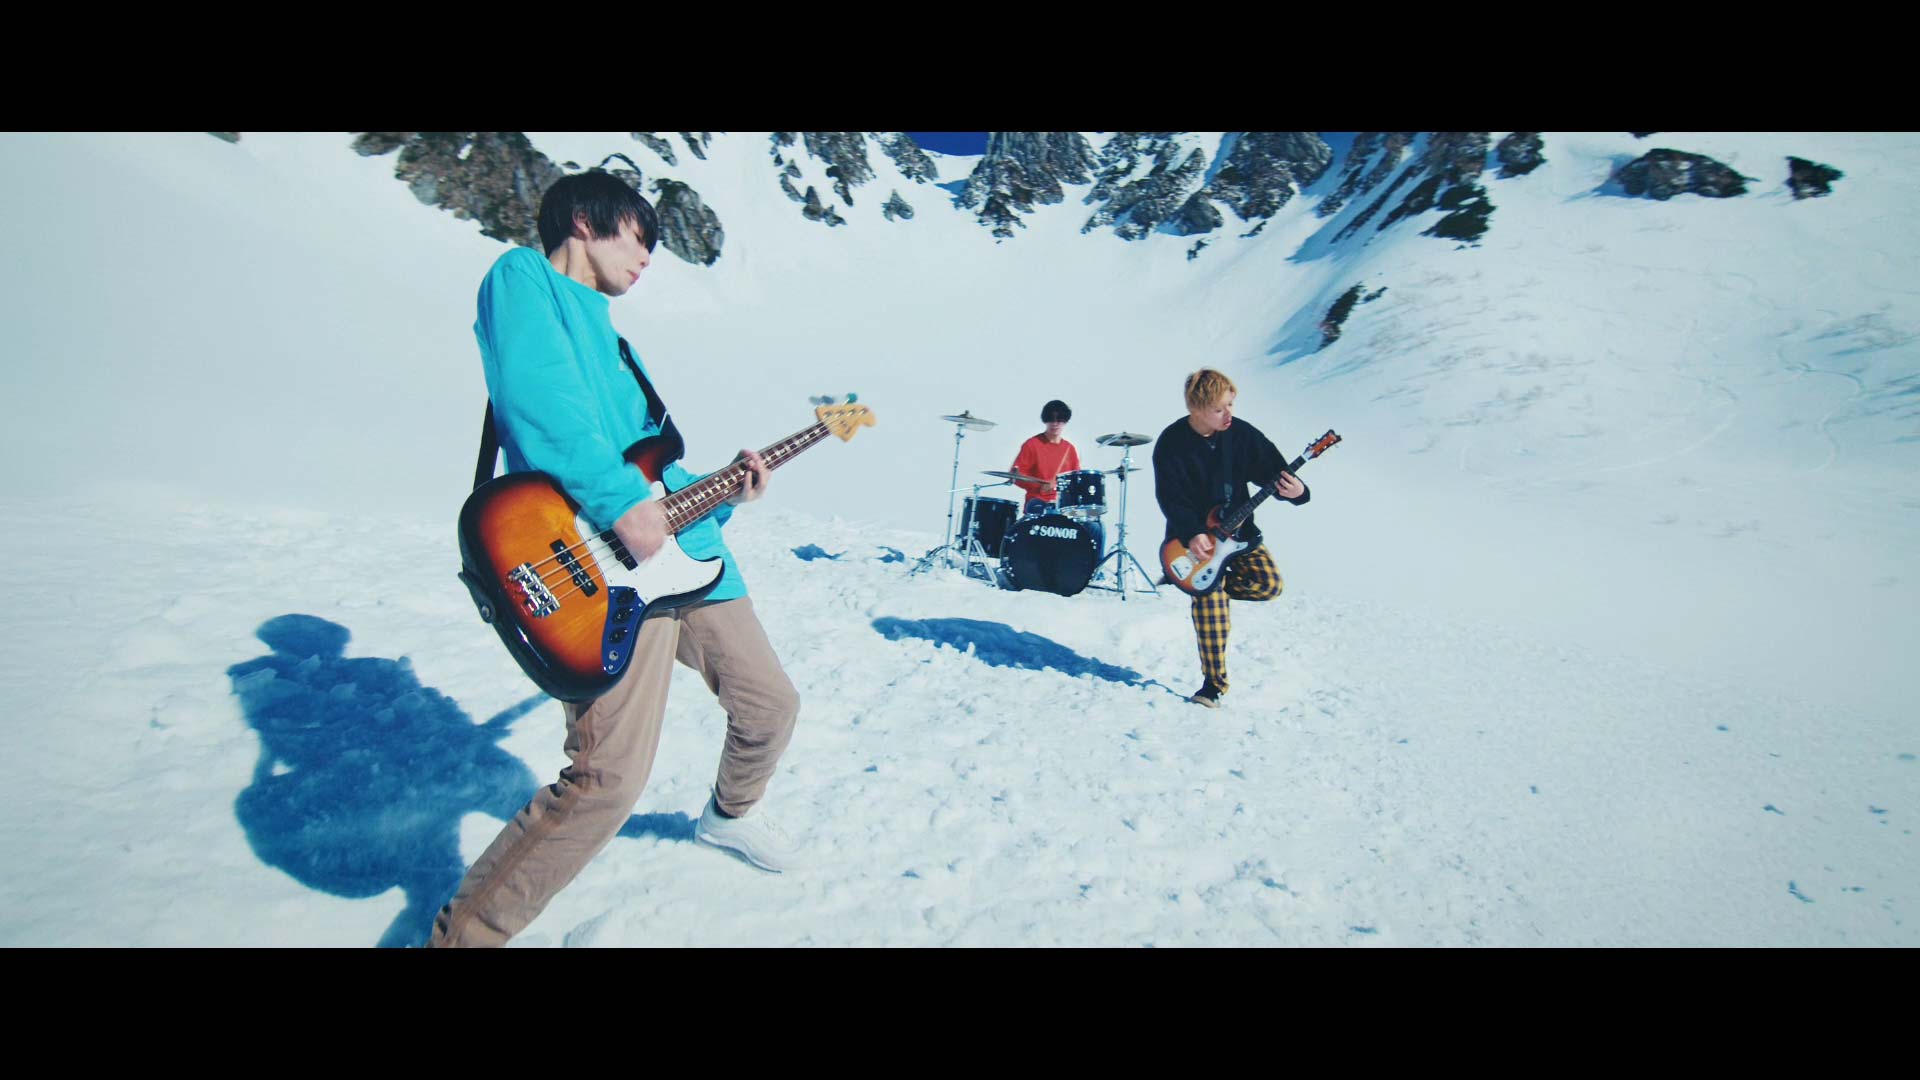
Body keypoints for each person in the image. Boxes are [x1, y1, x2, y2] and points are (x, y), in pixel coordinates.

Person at [431, 172, 802, 947]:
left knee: (771, 705)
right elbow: (542, 404)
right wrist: (617, 503)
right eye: (639, 236)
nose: (648, 257)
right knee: (607, 781)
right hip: (600, 566)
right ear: (584, 219)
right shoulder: (523, 280)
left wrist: (727, 493)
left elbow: (655, 473)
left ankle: (729, 816)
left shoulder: (619, 345)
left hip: (688, 558)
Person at [1151, 369, 1309, 708]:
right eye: (1219, 408)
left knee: (1269, 586)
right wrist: (1192, 532)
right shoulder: (1172, 444)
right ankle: (1213, 685)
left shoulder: (1241, 435)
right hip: (1193, 543)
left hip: (1239, 534)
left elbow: (1274, 471)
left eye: (1231, 405)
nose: (1229, 414)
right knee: (1211, 607)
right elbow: (1170, 497)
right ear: (1197, 409)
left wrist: (1297, 492)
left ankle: (1215, 590)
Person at [1010, 399, 1081, 516]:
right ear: (1045, 420)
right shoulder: (1032, 444)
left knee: (1092, 525)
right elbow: (1015, 476)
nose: (1055, 423)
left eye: (1059, 420)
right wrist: (1039, 486)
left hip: (1063, 505)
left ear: (1065, 421)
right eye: (1051, 419)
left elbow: (1076, 479)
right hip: (1038, 503)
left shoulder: (1070, 449)